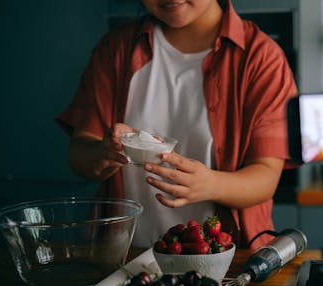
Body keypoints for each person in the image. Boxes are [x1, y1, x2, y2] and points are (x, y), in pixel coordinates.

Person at [56, 0, 298, 250]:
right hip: (127, 255)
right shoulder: (116, 49)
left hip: (225, 260)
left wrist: (210, 185)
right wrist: (104, 152)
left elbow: (266, 177)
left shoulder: (261, 58)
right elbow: (79, 155)